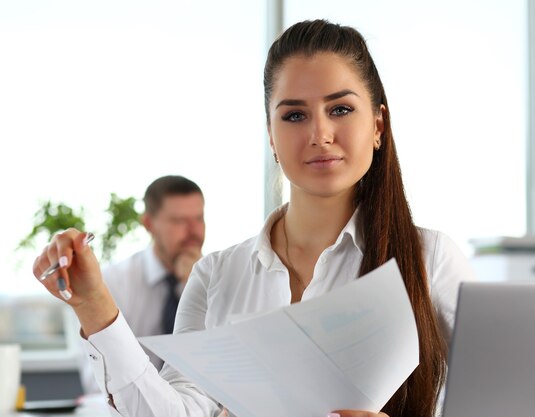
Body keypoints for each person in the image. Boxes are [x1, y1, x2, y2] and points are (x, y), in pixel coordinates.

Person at [33, 20, 475, 417]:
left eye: (340, 109)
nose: (319, 134)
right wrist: (93, 304)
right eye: (295, 115)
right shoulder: (217, 275)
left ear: (378, 125)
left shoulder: (430, 258)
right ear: (271, 135)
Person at [80, 175, 206, 393]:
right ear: (149, 224)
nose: (194, 232)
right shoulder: (114, 282)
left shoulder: (213, 279)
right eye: (179, 221)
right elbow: (97, 378)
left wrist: (196, 287)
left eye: (199, 219)